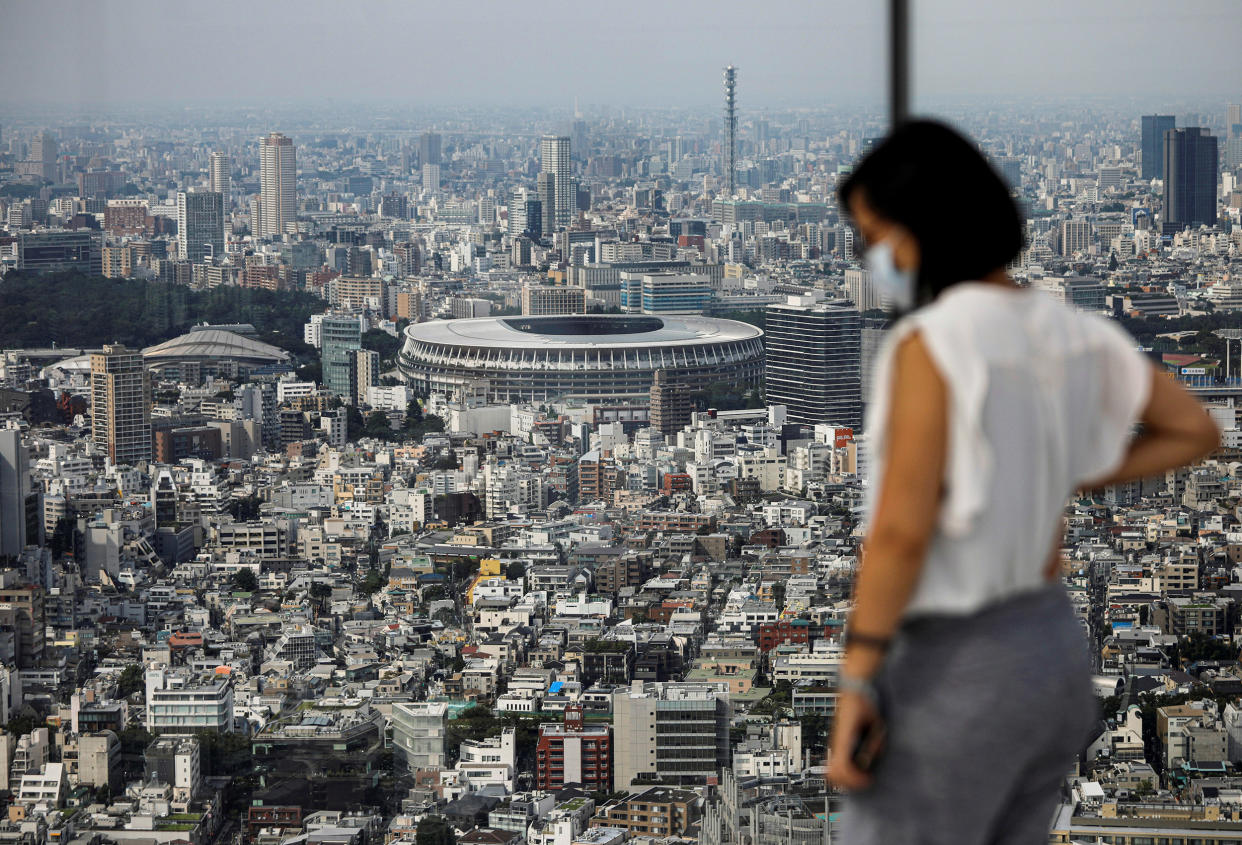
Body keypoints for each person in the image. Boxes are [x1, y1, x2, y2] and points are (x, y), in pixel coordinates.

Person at [828, 120, 1220, 844]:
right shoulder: (1073, 330)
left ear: (923, 228)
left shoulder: (932, 344)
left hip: (957, 659)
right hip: (1051, 650)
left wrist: (856, 679)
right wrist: (1066, 472)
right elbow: (1196, 430)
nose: (870, 258)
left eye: (872, 238)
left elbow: (902, 529)